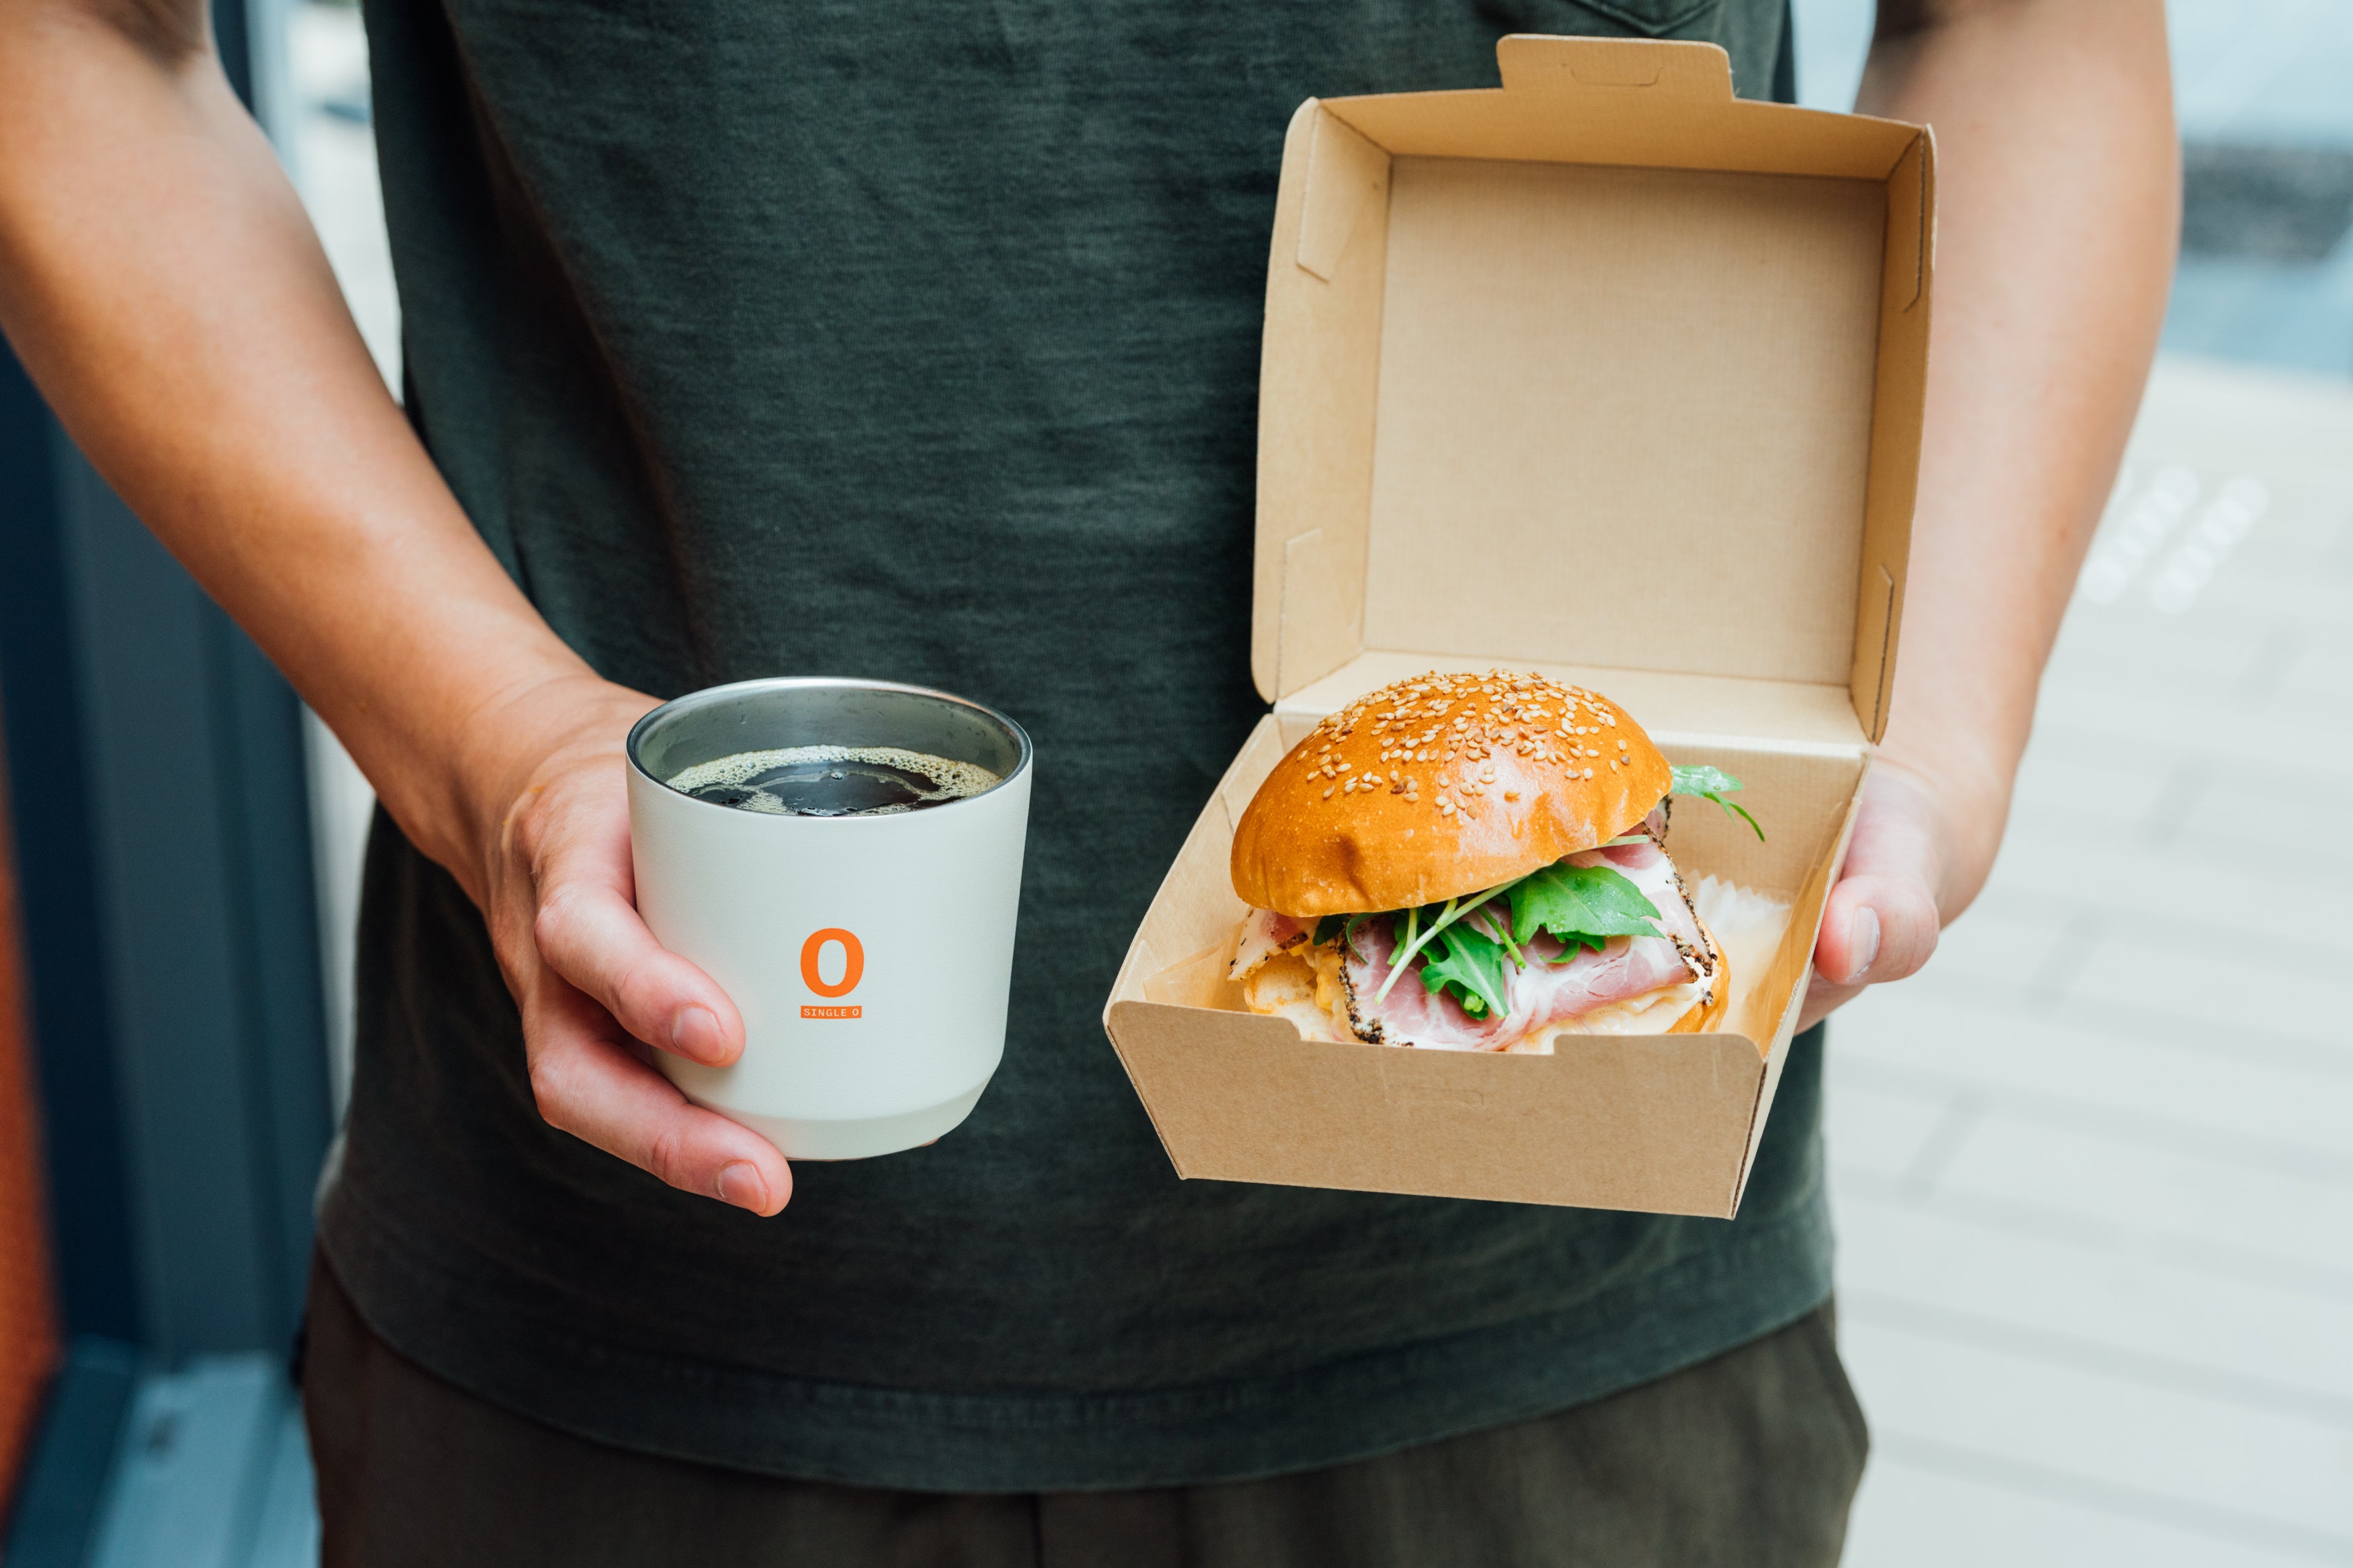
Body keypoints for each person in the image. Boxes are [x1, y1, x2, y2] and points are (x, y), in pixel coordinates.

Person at [0, 0, 2176, 1561]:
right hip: (621, 1319)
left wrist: (1932, 740)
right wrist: (501, 745)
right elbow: (69, 46)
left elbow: (2035, 24)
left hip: (1561, 1348)